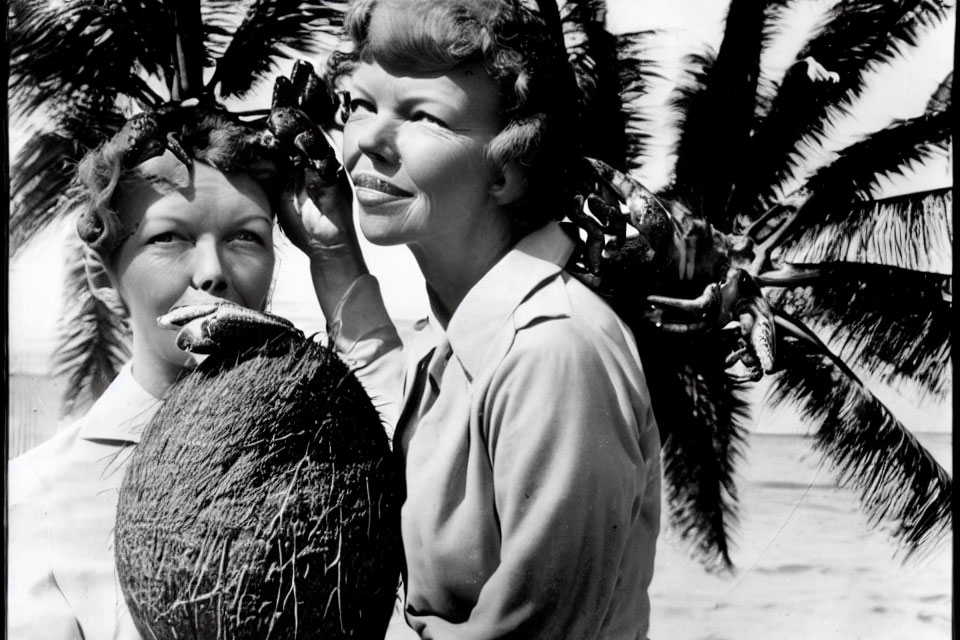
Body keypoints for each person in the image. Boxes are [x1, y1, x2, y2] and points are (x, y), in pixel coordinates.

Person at [280, 0, 663, 637]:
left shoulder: (552, 351)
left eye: (423, 116)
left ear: (507, 170)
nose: (367, 139)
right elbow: (400, 410)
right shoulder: (465, 327)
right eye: (359, 105)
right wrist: (333, 252)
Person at [7, 110, 283, 640]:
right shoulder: (32, 501)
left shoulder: (323, 460)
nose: (213, 273)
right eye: (170, 238)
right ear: (102, 277)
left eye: (246, 237)